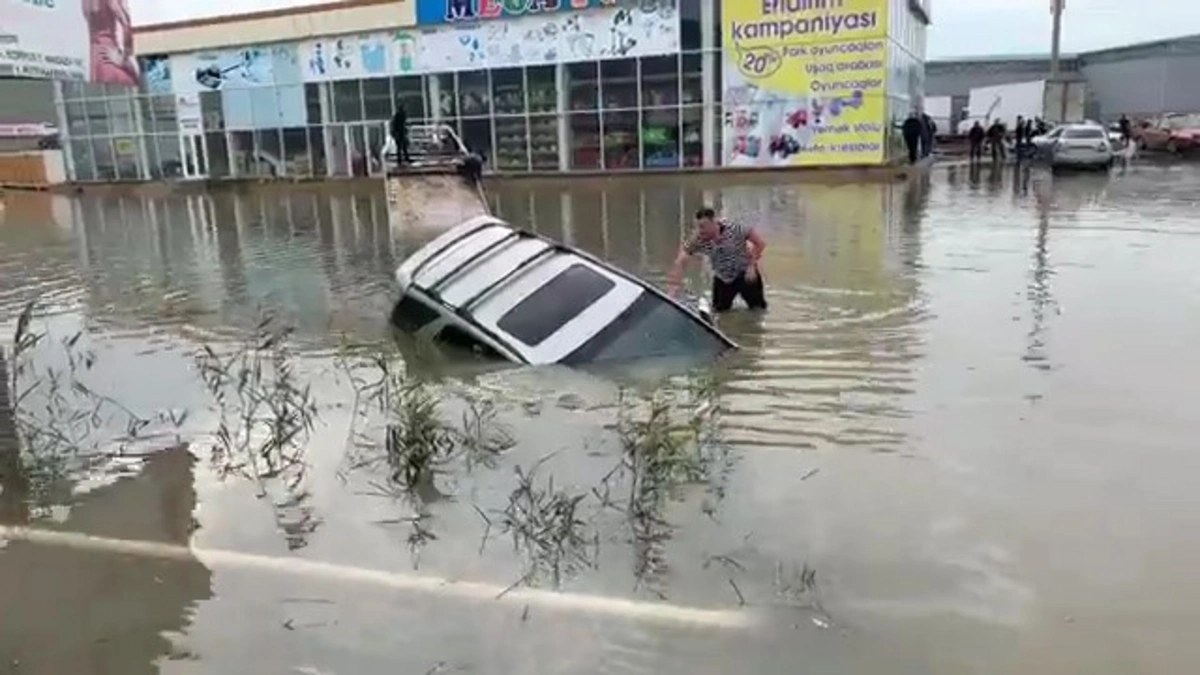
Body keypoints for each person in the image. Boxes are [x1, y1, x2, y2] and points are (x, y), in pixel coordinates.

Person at [667, 208, 767, 313]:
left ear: (713, 222)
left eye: (702, 227)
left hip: (745, 274)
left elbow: (760, 244)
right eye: (697, 227)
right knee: (719, 313)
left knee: (758, 310)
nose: (700, 231)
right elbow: (680, 261)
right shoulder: (697, 239)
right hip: (723, 278)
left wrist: (751, 266)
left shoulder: (735, 229)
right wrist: (673, 288)